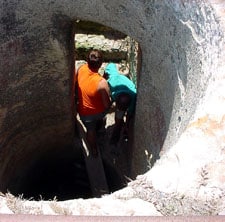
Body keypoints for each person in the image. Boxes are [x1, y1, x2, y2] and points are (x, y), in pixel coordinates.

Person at [76, 49, 111, 157]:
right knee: (105, 111)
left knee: (90, 130)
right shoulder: (101, 83)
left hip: (83, 113)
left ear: (87, 60)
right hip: (97, 113)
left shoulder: (81, 68)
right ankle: (100, 126)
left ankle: (94, 149)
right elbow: (106, 105)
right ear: (100, 64)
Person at [103, 62, 137, 148]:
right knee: (118, 117)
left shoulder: (133, 95)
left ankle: (115, 138)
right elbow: (110, 66)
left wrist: (127, 124)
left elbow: (129, 113)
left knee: (118, 120)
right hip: (121, 98)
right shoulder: (111, 82)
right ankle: (118, 128)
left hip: (123, 100)